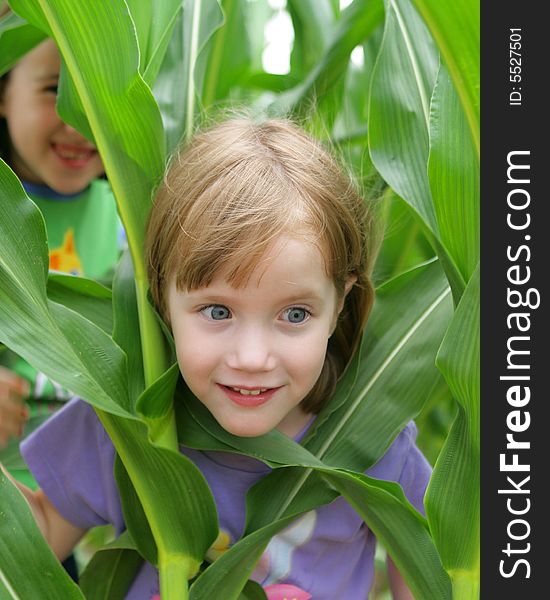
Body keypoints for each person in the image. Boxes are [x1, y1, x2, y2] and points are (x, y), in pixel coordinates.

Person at [11, 118, 431, 599]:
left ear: (340, 303)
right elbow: (34, 534)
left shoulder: (375, 443)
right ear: (162, 300)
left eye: (294, 314)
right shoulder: (123, 424)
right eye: (217, 311)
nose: (252, 358)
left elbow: (427, 580)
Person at [0, 37, 121, 467]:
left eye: (97, 93)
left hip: (89, 495)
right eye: (55, 90)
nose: (78, 121)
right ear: (3, 92)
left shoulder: (130, 220)